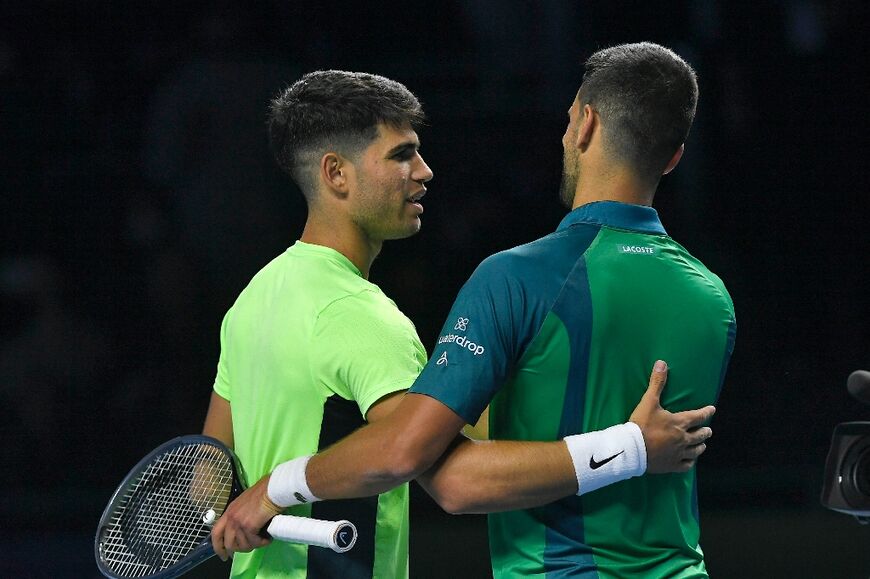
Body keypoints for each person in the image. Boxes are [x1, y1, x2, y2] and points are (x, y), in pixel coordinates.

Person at [206, 63, 723, 578]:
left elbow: (205, 481)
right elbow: (433, 467)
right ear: (336, 173)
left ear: (585, 125)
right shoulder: (712, 297)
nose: (425, 171)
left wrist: (250, 501)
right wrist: (630, 446)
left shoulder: (249, 303)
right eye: (402, 155)